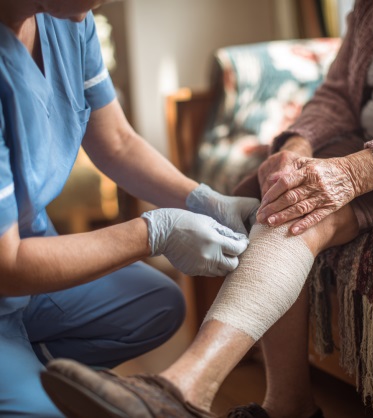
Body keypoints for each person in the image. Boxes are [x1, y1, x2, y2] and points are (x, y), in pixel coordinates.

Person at [40, 0, 373, 417]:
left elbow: (118, 143)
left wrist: (359, 170)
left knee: (294, 214)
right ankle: (288, 403)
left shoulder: (72, 24)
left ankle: (182, 390)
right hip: (363, 139)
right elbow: (338, 93)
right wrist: (296, 146)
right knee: (273, 194)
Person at [0, 0, 261, 416]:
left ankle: (32, 368)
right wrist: (155, 232)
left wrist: (204, 200)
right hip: (7, 272)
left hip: (28, 273)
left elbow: (117, 141)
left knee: (160, 303)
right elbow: (6, 264)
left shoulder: (70, 19)